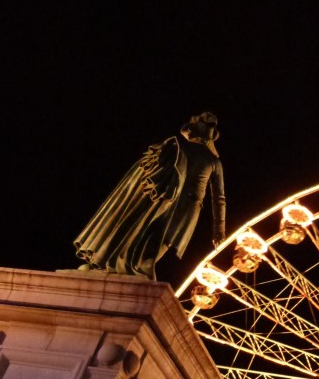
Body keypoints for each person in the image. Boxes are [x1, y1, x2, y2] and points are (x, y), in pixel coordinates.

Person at [74, 112, 226, 279]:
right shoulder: (213, 161)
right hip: (188, 205)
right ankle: (137, 268)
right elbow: (219, 199)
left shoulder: (176, 147)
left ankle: (117, 263)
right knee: (164, 240)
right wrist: (219, 230)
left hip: (164, 197)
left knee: (141, 229)